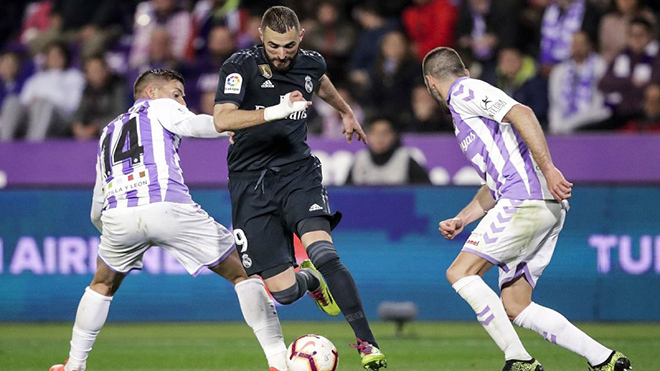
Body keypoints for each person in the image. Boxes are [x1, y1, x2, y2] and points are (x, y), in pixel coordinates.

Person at [49, 69, 288, 371]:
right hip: (166, 206)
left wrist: (111, 232)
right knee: (244, 273)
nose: (182, 101)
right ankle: (279, 362)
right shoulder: (158, 106)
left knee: (102, 283)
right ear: (151, 92)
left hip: (117, 217)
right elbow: (195, 124)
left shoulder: (109, 130)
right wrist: (229, 124)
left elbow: (98, 202)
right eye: (177, 94)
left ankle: (74, 365)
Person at [422, 47, 632, 371]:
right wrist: (463, 218)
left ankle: (519, 360)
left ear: (430, 82)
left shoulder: (465, 90)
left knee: (460, 273)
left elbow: (523, 113)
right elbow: (494, 184)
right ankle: (605, 359)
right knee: (516, 306)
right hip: (539, 203)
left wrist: (548, 168)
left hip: (526, 199)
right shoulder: (466, 114)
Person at [213, 6, 387, 371]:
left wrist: (345, 110)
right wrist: (274, 112)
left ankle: (367, 345)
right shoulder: (238, 66)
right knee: (284, 292)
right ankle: (308, 280)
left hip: (297, 173)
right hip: (249, 184)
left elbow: (319, 81)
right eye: (274, 45)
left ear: (301, 38)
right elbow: (222, 118)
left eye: (289, 46)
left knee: (325, 252)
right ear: (261, 35)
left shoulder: (310, 61)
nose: (281, 54)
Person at [548, 31, 610, 134]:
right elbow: (555, 101)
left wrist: (572, 123)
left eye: (581, 43)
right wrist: (555, 126)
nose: (577, 47)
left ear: (589, 45)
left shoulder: (600, 65)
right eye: (574, 43)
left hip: (592, 121)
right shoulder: (559, 70)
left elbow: (600, 100)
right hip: (564, 123)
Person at [345, 116, 431, 186]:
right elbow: (344, 193)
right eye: (374, 133)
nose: (379, 138)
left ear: (394, 136)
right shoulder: (360, 160)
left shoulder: (405, 159)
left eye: (384, 133)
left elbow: (425, 190)